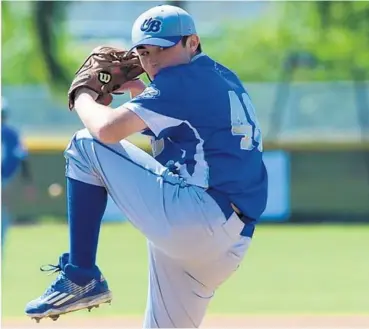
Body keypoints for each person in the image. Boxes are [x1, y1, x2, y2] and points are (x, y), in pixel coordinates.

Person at [25, 4, 268, 328]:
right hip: (226, 243)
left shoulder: (179, 81)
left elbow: (106, 131)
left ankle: (81, 275)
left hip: (197, 215)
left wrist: (83, 93)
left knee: (85, 145)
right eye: (143, 51)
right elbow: (189, 135)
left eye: (163, 49)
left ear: (192, 42)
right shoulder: (220, 77)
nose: (152, 60)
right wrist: (142, 93)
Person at [1, 97, 36, 256]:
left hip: (6, 181)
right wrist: (27, 183)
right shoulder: (11, 133)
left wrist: (27, 183)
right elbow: (22, 159)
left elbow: (21, 157)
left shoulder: (10, 134)